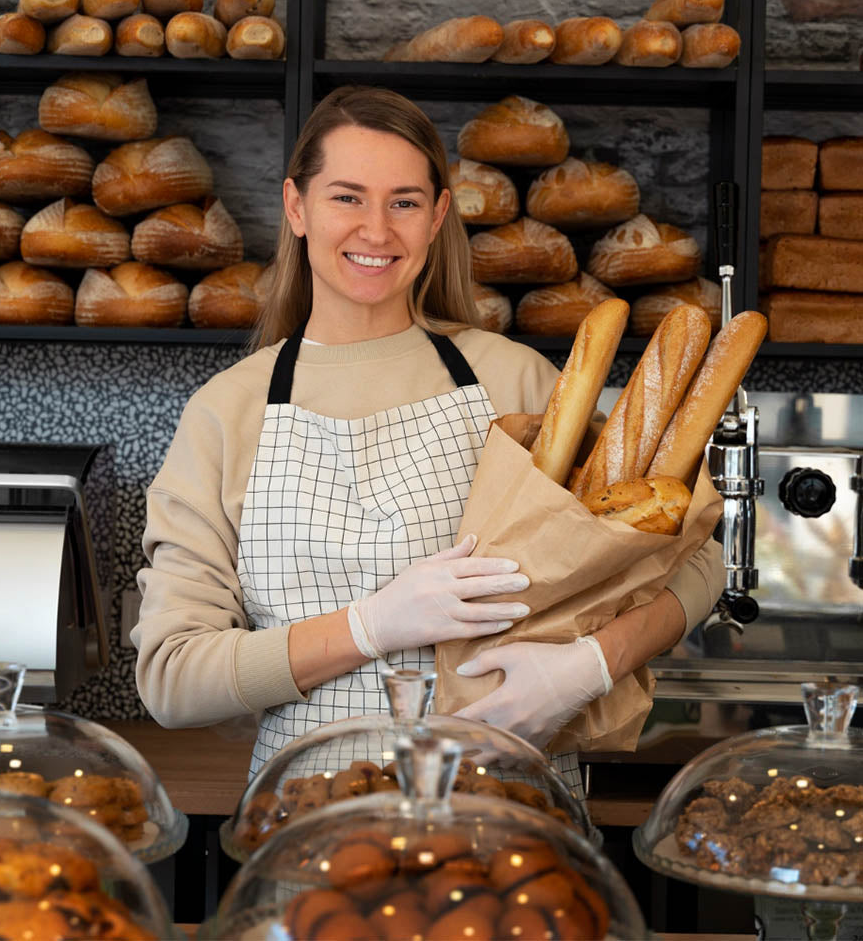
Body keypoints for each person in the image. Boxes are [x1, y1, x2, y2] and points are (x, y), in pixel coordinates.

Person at [132, 85, 724, 795]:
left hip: (510, 819)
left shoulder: (518, 384)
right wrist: (370, 626)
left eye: (404, 202)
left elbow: (696, 561)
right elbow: (171, 679)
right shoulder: (227, 413)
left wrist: (587, 667)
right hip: (309, 829)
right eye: (347, 197)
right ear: (296, 207)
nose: (377, 231)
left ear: (439, 215)